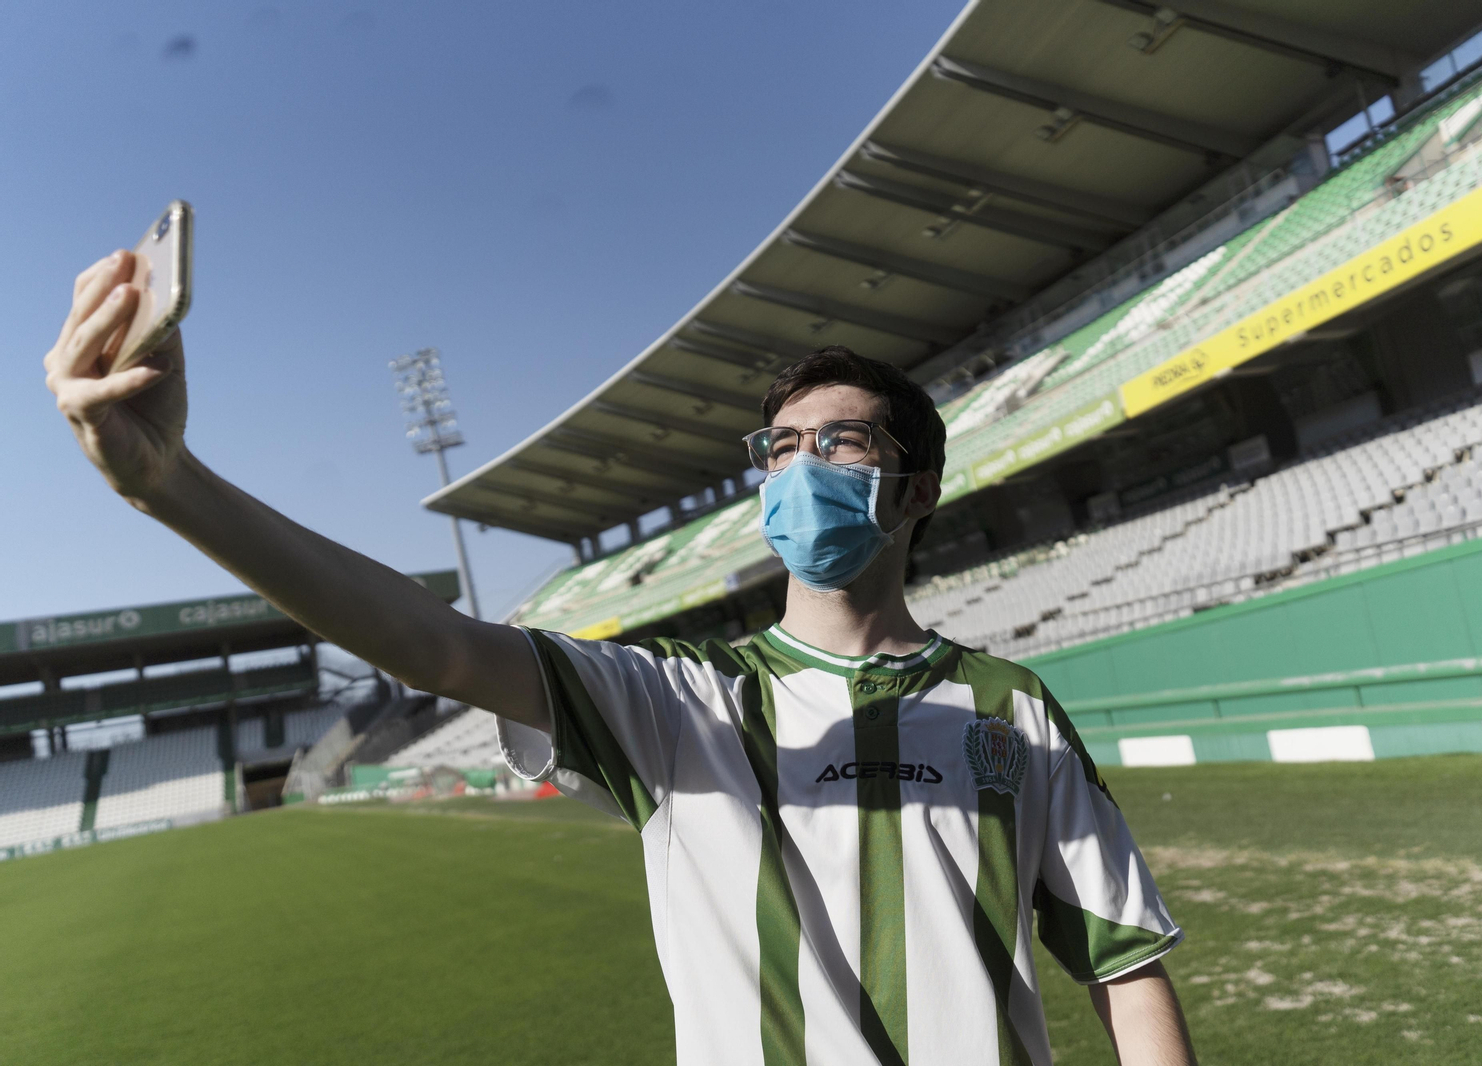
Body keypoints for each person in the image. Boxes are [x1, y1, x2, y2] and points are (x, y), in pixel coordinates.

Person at [46, 250, 1198, 1066]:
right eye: (779, 447)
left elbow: (1120, 962)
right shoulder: (676, 701)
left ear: (915, 485)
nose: (801, 467)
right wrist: (170, 486)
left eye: (840, 440)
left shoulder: (1009, 707)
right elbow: (427, 637)